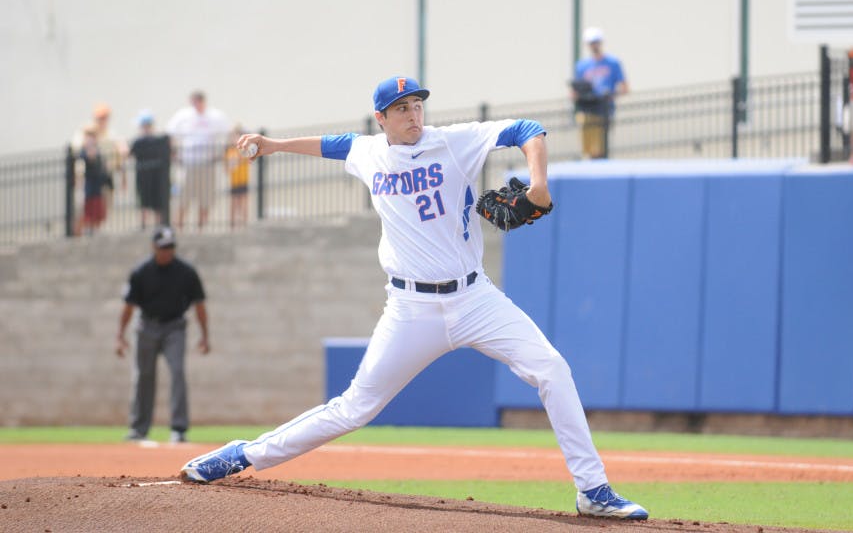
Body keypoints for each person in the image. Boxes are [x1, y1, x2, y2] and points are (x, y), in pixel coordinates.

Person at [179, 76, 649, 520]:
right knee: (353, 408)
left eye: (417, 104)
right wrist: (275, 144)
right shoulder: (367, 152)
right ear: (381, 118)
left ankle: (592, 491)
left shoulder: (453, 141)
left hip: (475, 298)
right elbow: (330, 145)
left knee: (552, 369)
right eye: (401, 108)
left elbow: (528, 129)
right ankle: (243, 454)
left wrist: (538, 181)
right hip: (410, 310)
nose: (413, 114)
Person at [116, 226, 210, 444]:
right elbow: (128, 307)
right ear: (154, 247)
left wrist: (205, 336)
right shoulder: (141, 272)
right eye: (162, 248)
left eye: (170, 247)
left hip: (174, 327)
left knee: (177, 372)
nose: (167, 251)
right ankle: (139, 428)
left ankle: (178, 429)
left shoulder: (186, 272)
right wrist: (120, 336)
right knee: (143, 376)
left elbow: (200, 306)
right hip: (146, 326)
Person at [165, 90, 231, 231]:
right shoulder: (183, 116)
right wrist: (174, 154)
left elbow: (228, 134)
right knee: (183, 200)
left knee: (205, 200)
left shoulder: (215, 116)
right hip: (188, 164)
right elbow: (169, 134)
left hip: (207, 164)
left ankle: (200, 230)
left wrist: (221, 154)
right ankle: (178, 230)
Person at [570, 27, 628, 159]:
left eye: (596, 42)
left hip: (604, 110)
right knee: (588, 149)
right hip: (587, 110)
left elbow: (624, 88)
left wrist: (609, 96)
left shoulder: (613, 63)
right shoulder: (582, 66)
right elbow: (575, 91)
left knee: (601, 149)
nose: (594, 45)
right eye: (591, 43)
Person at [130, 111, 171, 230]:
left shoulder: (158, 141)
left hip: (156, 177)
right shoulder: (138, 142)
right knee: (144, 201)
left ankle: (159, 224)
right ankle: (144, 225)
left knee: (157, 202)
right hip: (143, 177)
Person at [75, 124, 114, 236]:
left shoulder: (99, 151)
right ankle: (87, 231)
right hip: (87, 189)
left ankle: (95, 231)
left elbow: (103, 169)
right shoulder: (82, 152)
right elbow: (80, 169)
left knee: (98, 213)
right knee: (87, 214)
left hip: (98, 188)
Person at [224, 124, 251, 229]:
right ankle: (233, 226)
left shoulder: (243, 149)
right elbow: (226, 168)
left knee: (244, 203)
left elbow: (247, 160)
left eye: (235, 136)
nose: (233, 139)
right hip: (234, 181)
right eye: (232, 136)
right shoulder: (229, 151)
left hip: (243, 180)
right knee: (234, 204)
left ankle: (244, 224)